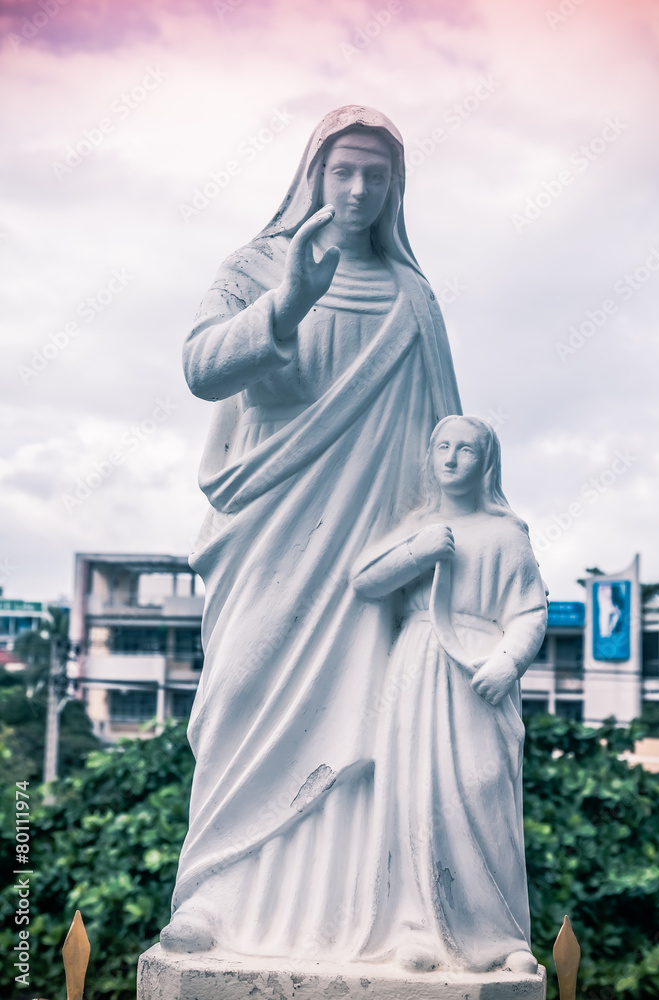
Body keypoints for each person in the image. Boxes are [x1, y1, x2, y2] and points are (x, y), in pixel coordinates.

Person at [160, 106, 462, 958]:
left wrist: (464, 542)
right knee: (242, 693)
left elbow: (442, 431)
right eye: (343, 171)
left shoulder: (411, 298)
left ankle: (354, 910)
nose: (358, 189)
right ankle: (214, 896)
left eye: (376, 175)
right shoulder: (254, 265)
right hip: (271, 526)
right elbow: (200, 369)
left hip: (375, 541)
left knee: (368, 713)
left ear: (395, 188)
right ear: (312, 175)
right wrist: (289, 301)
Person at [351, 415, 548, 974]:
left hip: (478, 672)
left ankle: (502, 935)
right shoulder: (418, 525)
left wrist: (508, 662)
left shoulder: (507, 535)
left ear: (486, 463)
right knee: (415, 792)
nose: (452, 458)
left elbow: (530, 611)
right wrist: (418, 552)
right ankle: (416, 928)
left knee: (483, 791)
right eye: (443, 446)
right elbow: (364, 581)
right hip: (417, 667)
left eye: (466, 449)